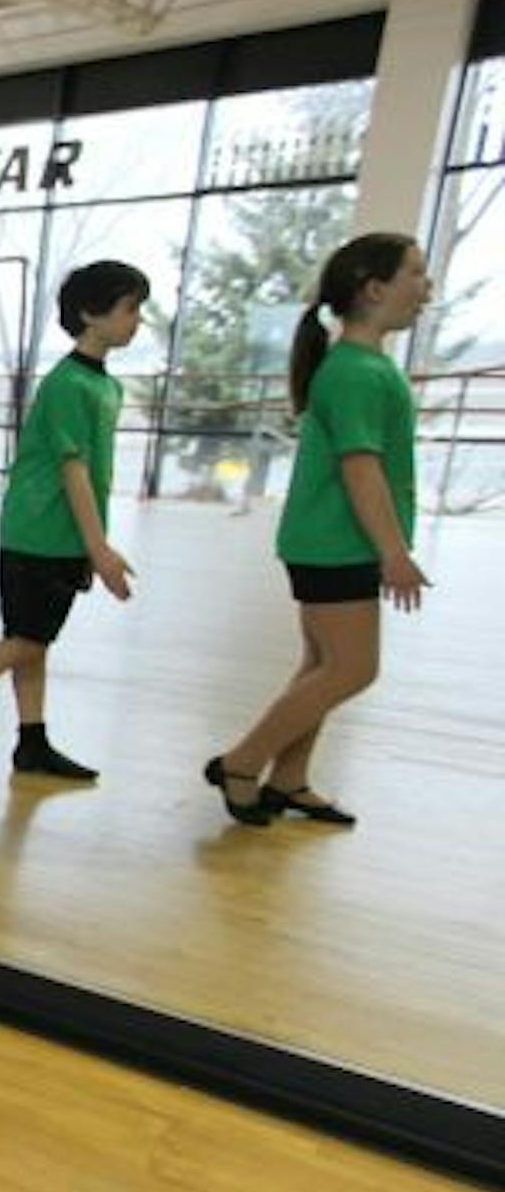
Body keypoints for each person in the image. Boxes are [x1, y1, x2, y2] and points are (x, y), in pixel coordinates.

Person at [205, 234, 432, 829]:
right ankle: (242, 761)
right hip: (336, 544)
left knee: (321, 665)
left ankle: (288, 779)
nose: (426, 287)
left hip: (330, 542)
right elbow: (361, 469)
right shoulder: (356, 373)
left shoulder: (362, 367)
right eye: (415, 273)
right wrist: (394, 553)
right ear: (374, 289)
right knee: (353, 669)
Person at [0, 261, 147, 781]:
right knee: (27, 640)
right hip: (38, 532)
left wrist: (91, 544)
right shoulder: (68, 385)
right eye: (129, 309)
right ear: (90, 314)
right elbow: (73, 469)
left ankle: (32, 742)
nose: (137, 320)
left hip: (61, 535)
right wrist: (101, 550)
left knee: (33, 641)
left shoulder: (105, 386)